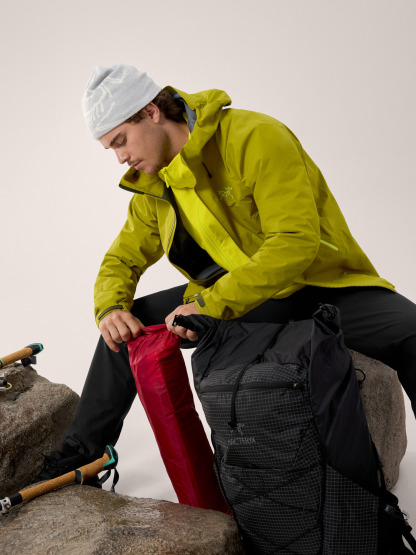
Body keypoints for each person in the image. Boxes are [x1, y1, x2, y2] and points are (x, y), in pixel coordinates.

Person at [36, 64, 416, 482]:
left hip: (320, 284)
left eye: (120, 140)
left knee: (412, 332)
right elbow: (122, 258)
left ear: (151, 111)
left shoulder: (255, 137)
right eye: (110, 148)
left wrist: (210, 304)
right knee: (126, 328)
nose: (120, 157)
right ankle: (79, 459)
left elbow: (294, 242)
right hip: (242, 300)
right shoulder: (155, 183)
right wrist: (110, 307)